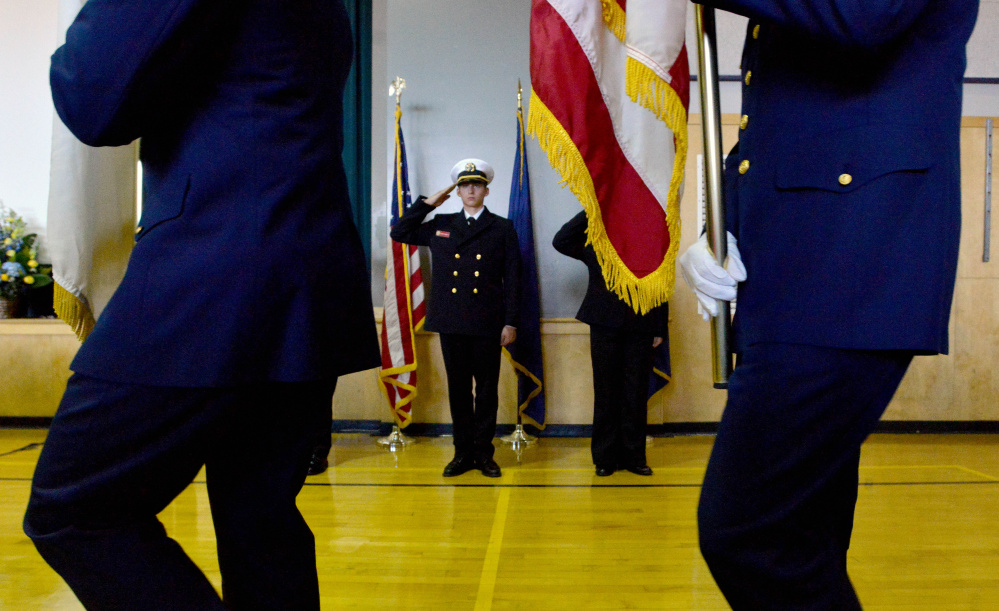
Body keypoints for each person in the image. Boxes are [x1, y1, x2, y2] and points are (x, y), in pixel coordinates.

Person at [23, 1, 380, 609]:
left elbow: (91, 95)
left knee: (78, 511)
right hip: (299, 267)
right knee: (260, 530)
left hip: (215, 265)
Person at [678, 1, 980, 609]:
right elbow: (781, 122)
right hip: (797, 266)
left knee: (749, 532)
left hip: (851, 262)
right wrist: (725, 225)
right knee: (798, 541)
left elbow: (860, 15)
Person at [391, 159, 521, 478]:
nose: (471, 190)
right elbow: (400, 231)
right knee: (458, 389)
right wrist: (427, 203)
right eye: (465, 186)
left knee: (486, 391)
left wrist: (511, 321)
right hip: (451, 320)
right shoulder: (441, 222)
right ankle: (462, 453)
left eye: (477, 185)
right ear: (458, 192)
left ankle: (483, 453)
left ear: (486, 190)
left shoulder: (502, 227)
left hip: (488, 321)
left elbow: (514, 278)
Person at [553, 211, 665, 477]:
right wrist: (594, 207)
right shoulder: (597, 237)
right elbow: (561, 240)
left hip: (641, 322)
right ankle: (605, 457)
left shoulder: (649, 235)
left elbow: (662, 278)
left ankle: (634, 457)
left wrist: (659, 326)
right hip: (604, 321)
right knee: (606, 392)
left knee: (635, 392)